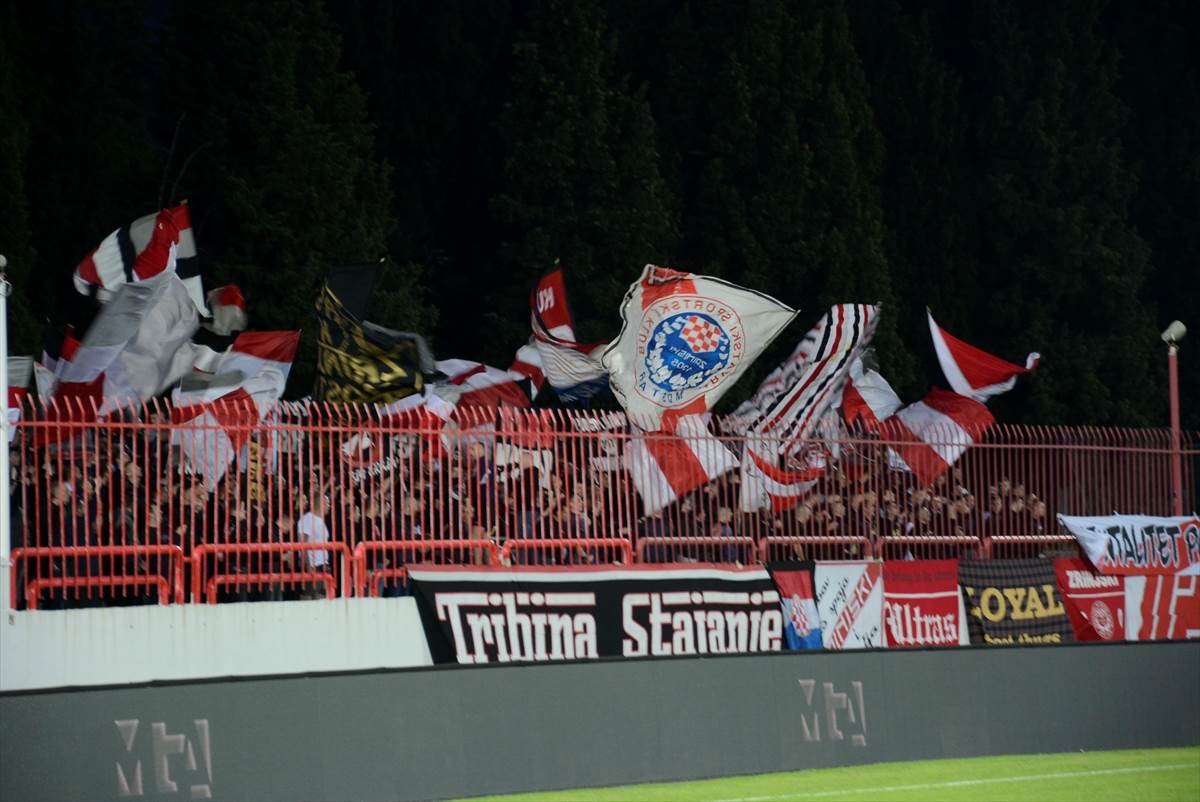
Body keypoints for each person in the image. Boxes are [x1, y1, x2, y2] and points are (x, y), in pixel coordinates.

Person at [297, 494, 332, 599]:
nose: (329, 506)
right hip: (312, 564)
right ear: (321, 504)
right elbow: (303, 543)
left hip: (322, 564)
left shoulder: (320, 521)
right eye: (327, 503)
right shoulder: (308, 519)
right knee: (309, 596)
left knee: (321, 596)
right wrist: (308, 565)